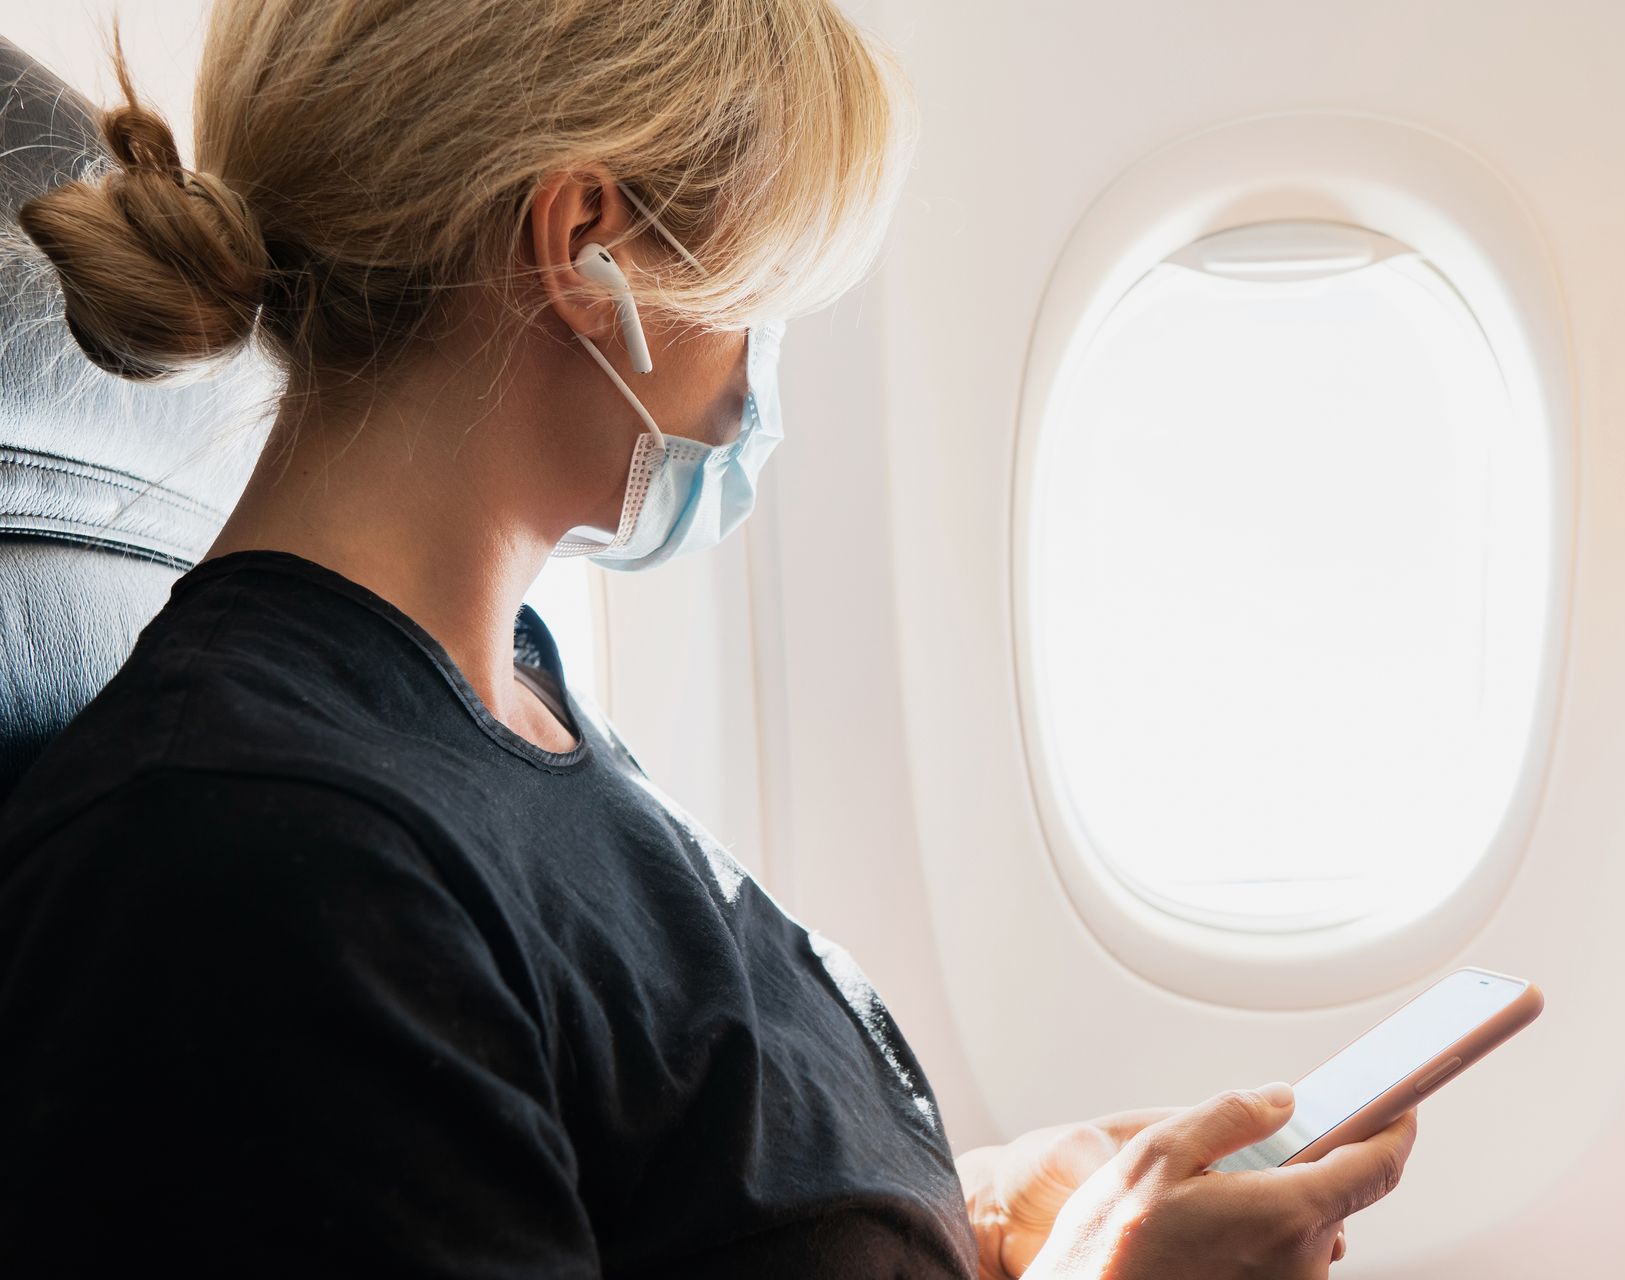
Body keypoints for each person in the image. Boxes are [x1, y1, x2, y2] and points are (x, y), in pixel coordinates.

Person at [0, 2, 1416, 1276]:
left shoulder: (513, 697)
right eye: (765, 292)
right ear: (583, 246)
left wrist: (973, 1218)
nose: (760, 361)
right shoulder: (253, 859)